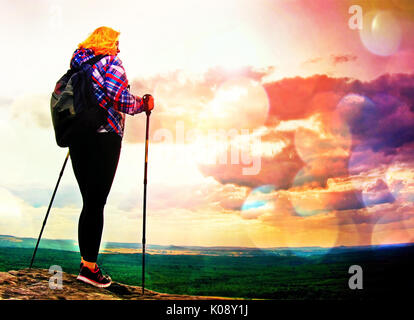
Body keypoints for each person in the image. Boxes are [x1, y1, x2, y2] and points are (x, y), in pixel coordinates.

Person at [68, 26, 154, 288]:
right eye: (116, 42)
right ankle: (89, 269)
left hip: (78, 136)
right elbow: (120, 100)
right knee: (97, 202)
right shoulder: (111, 62)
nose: (119, 48)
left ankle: (86, 263)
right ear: (107, 42)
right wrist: (144, 103)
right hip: (104, 137)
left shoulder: (78, 65)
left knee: (89, 202)